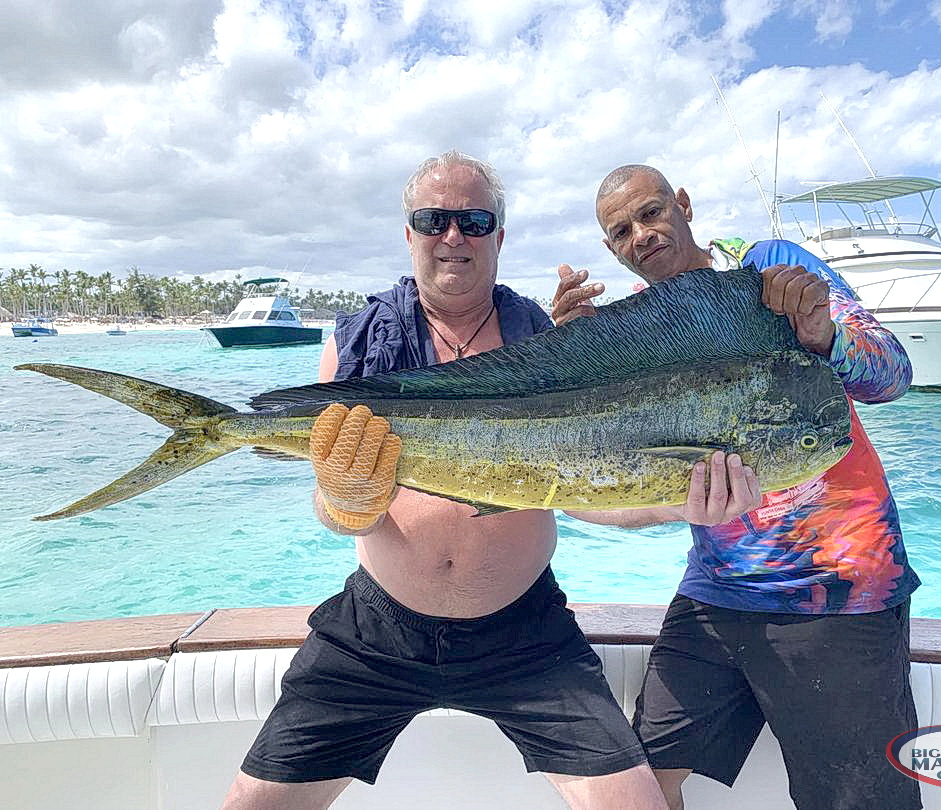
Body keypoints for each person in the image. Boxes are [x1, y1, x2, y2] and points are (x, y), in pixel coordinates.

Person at [221, 152, 760, 810]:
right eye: (434, 219)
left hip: (525, 636)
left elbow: (580, 487)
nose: (454, 236)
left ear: (499, 237)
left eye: (474, 220)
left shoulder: (541, 336)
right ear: (410, 233)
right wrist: (344, 499)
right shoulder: (358, 345)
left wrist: (681, 506)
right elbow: (337, 515)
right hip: (377, 634)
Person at [550, 164, 922, 810]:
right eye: (621, 231)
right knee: (640, 788)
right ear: (612, 249)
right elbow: (610, 477)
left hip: (839, 593)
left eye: (651, 212)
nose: (642, 234)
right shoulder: (642, 328)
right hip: (717, 593)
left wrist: (823, 333)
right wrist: (571, 360)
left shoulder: (772, 269)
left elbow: (893, 372)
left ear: (684, 205)